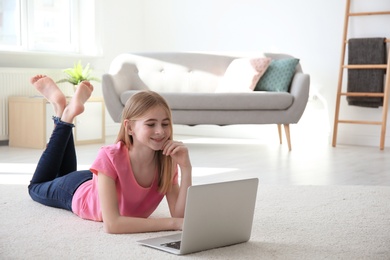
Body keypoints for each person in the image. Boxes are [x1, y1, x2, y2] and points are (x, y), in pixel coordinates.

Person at [28, 75, 192, 234]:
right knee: (36, 186)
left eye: (165, 124)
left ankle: (63, 111)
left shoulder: (167, 161)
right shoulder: (110, 156)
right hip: (75, 190)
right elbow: (113, 224)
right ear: (129, 128)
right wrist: (171, 223)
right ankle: (63, 113)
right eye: (151, 124)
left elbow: (181, 217)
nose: (160, 131)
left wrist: (186, 169)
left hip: (101, 179)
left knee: (63, 173)